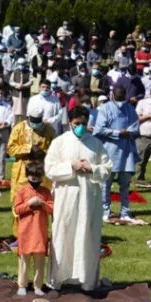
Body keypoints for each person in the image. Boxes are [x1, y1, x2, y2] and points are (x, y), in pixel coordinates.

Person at [43, 104, 112, 290]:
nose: (80, 126)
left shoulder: (96, 143)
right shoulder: (59, 142)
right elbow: (49, 168)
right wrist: (71, 166)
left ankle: (86, 280)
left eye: (83, 123)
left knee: (87, 235)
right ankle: (58, 279)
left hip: (89, 198)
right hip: (66, 196)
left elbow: (107, 168)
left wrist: (92, 168)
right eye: (77, 123)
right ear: (70, 122)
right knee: (62, 233)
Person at [92, 87, 141, 222]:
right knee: (105, 184)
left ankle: (125, 211)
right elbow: (99, 129)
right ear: (112, 95)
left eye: (122, 97)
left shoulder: (130, 108)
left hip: (126, 151)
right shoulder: (105, 109)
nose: (120, 100)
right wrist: (117, 133)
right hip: (109, 151)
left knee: (125, 184)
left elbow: (135, 126)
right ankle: (105, 210)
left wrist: (128, 132)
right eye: (118, 97)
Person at [14, 156, 55, 296]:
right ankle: (22, 285)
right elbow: (17, 209)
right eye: (33, 177)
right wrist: (29, 204)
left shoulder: (46, 192)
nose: (35, 180)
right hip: (25, 232)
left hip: (40, 232)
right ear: (27, 176)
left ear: (42, 177)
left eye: (38, 177)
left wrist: (42, 204)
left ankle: (38, 286)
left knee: (40, 261)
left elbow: (52, 208)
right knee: (24, 260)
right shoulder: (22, 191)